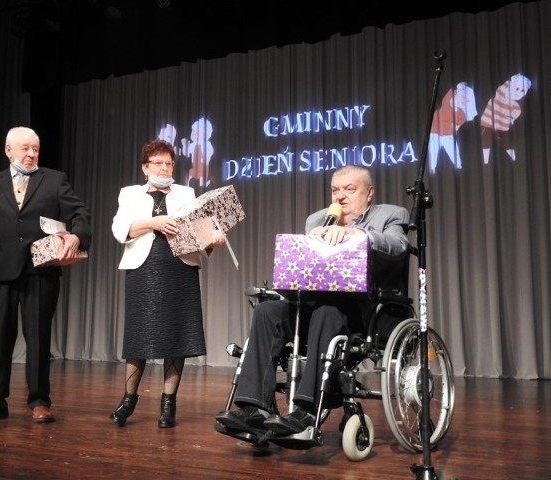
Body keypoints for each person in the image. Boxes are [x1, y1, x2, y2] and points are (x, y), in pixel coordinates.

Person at [215, 165, 410, 441]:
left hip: (363, 309)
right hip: (313, 303)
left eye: (349, 190)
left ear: (369, 193)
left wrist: (360, 235)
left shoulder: (390, 214)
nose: (340, 197)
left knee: (327, 311)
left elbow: (398, 246)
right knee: (267, 310)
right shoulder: (318, 220)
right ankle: (252, 408)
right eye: (335, 190)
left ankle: (306, 411)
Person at [0, 126, 92, 423]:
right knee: (0, 338)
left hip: (40, 270)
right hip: (1, 270)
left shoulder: (55, 179)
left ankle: (39, 401)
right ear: (8, 150)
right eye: (24, 148)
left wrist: (77, 237)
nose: (31, 153)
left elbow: (80, 214)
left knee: (38, 338)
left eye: (35, 148)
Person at [110, 138, 225, 428]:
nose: (164, 167)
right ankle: (128, 401)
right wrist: (154, 222)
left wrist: (213, 239)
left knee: (177, 337)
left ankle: (168, 404)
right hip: (143, 268)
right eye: (158, 163)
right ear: (145, 168)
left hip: (179, 269)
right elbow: (120, 229)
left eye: (169, 163)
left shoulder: (186, 192)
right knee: (138, 337)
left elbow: (200, 231)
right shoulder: (130, 194)